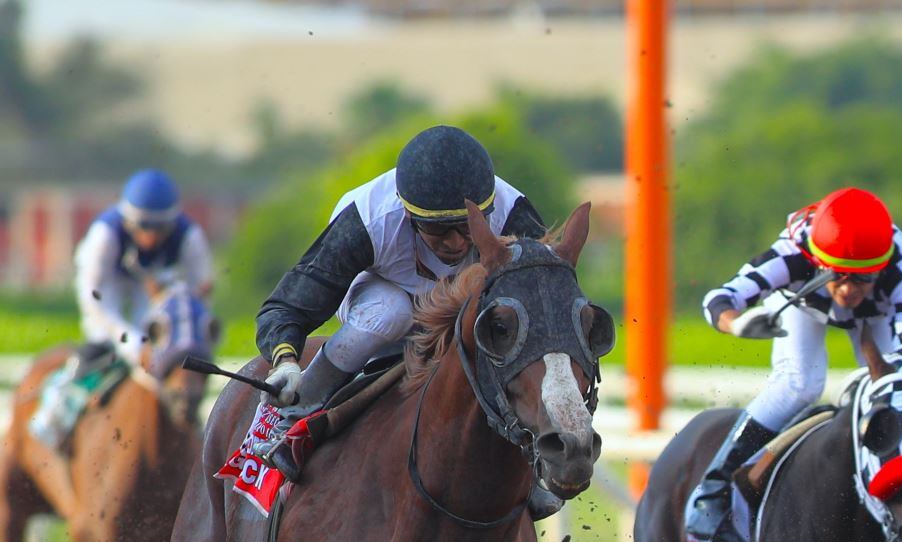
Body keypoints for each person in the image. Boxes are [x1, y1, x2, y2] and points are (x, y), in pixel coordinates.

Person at [254, 124, 549, 499]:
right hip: (378, 301)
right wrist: (285, 361)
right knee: (390, 311)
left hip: (468, 307)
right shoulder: (368, 219)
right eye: (440, 230)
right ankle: (293, 421)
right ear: (408, 215)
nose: (456, 242)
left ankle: (535, 454)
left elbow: (547, 309)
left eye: (466, 227)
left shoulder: (513, 218)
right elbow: (287, 305)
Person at [686, 186, 902, 542]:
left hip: (878, 314)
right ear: (816, 261)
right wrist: (737, 324)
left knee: (895, 386)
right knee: (800, 383)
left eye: (862, 278)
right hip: (803, 304)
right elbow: (718, 299)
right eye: (838, 275)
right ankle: (713, 489)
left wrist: (889, 376)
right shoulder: (792, 256)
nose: (848, 290)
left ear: (881, 268)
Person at [28, 169, 214, 450]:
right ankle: (56, 415)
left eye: (160, 229)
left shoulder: (190, 235)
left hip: (155, 287)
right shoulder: (104, 234)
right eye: (143, 226)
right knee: (103, 339)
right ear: (128, 220)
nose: (151, 237)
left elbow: (202, 291)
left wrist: (174, 323)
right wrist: (131, 343)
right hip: (108, 286)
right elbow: (94, 300)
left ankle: (194, 425)